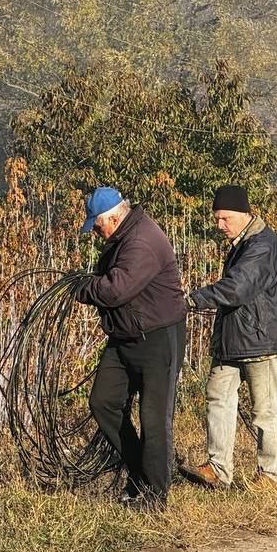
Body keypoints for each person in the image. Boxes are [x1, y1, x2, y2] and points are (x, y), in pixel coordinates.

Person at [75, 187, 187, 511]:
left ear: (113, 217)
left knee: (153, 420)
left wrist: (83, 286)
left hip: (158, 339)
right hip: (124, 337)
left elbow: (115, 290)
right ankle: (140, 475)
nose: (96, 233)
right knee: (103, 401)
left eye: (97, 226)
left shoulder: (140, 241)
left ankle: (154, 497)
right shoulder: (120, 238)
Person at [188, 184, 277, 490]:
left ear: (244, 214)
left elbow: (237, 288)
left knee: (264, 409)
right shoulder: (241, 241)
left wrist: (193, 299)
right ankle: (218, 469)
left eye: (225, 218)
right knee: (217, 398)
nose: (219, 225)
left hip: (261, 340)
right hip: (232, 339)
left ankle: (269, 476)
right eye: (217, 218)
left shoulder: (261, 245)